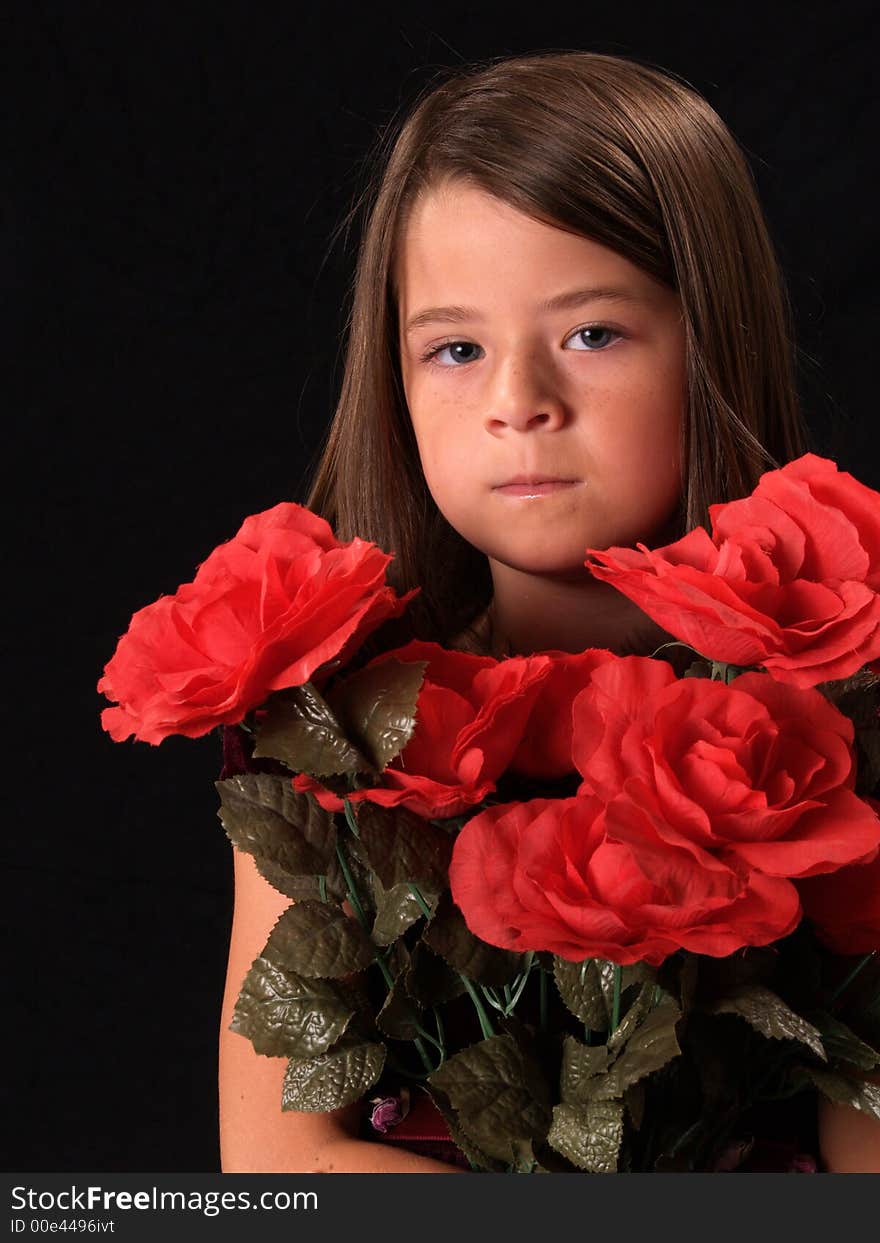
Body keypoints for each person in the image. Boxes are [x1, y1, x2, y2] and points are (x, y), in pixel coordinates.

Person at [218, 50, 880, 1173]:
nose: (517, 402)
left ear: (707, 340)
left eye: (591, 334)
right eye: (456, 349)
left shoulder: (835, 737)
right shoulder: (332, 741)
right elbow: (281, 1166)